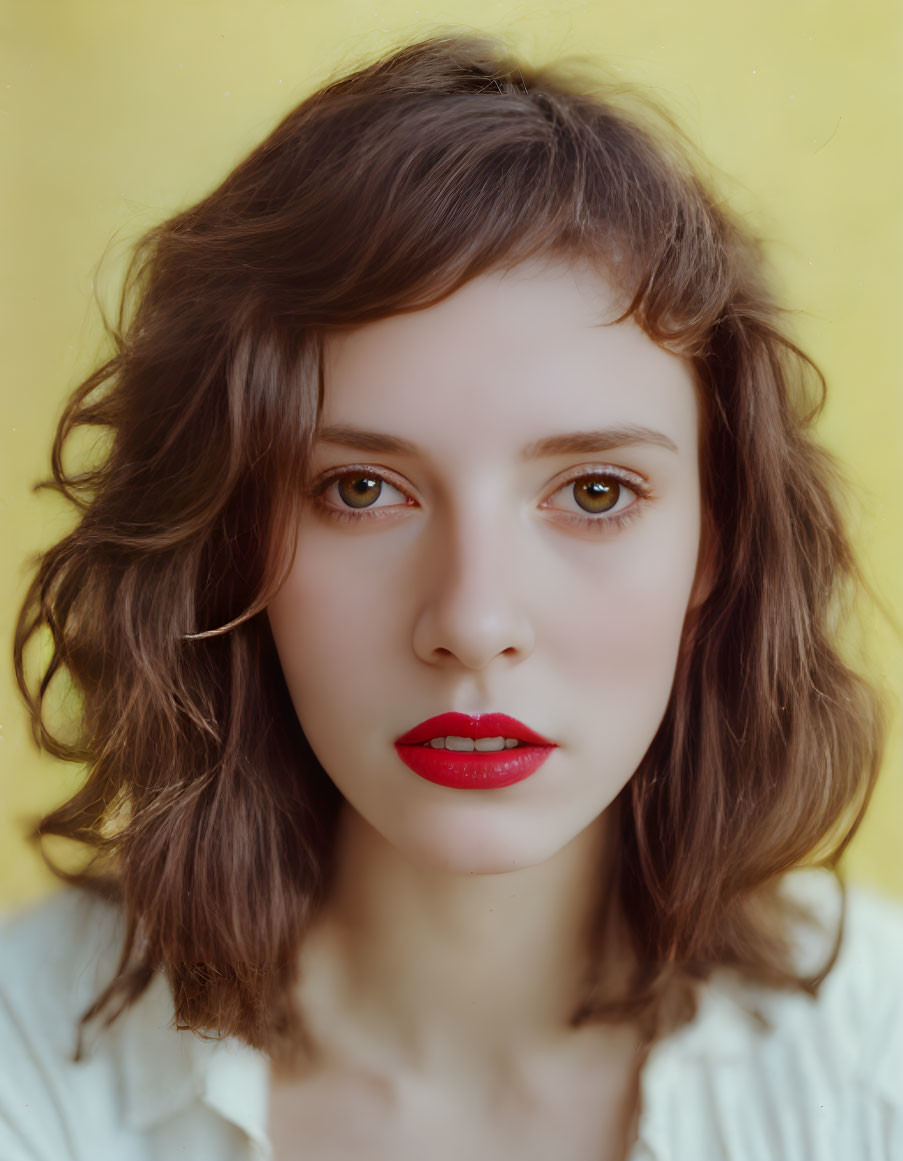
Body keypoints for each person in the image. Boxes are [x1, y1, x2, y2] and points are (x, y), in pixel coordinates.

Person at [3, 31, 901, 1161]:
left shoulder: (878, 1068)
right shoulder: (26, 1069)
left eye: (594, 489)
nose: (474, 623)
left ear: (713, 543)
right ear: (231, 534)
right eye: (363, 489)